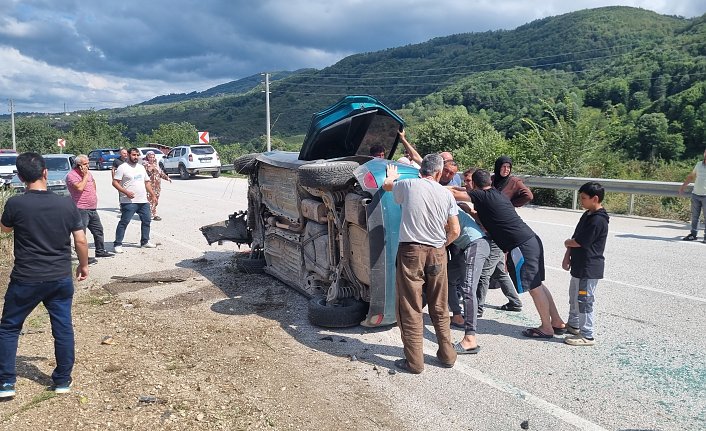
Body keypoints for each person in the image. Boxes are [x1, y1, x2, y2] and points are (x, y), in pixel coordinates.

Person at [0, 152, 89, 399]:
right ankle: (62, 380)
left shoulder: (15, 203)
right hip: (60, 277)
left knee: (9, 328)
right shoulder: (66, 203)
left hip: (26, 278)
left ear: (20, 177)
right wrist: (83, 266)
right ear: (45, 172)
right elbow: (80, 240)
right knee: (62, 328)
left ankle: (6, 383)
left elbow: (5, 228)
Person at [382, 154, 460, 374]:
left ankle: (414, 362)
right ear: (438, 172)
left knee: (410, 307)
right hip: (437, 253)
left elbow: (388, 186)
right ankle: (447, 356)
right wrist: (441, 246)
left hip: (411, 253)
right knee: (439, 306)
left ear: (421, 170)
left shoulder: (407, 185)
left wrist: (391, 176)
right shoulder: (446, 194)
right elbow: (455, 230)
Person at [468, 169, 565, 339]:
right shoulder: (496, 194)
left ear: (475, 185)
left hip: (521, 246)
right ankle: (556, 321)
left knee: (534, 288)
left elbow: (456, 193)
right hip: (531, 240)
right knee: (538, 284)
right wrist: (470, 212)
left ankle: (546, 328)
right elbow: (487, 219)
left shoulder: (481, 196)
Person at [562, 182, 609, 346]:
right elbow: (575, 237)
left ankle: (587, 335)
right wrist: (567, 254)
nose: (581, 201)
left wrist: (567, 243)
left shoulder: (598, 220)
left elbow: (580, 241)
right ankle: (574, 325)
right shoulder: (587, 214)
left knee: (584, 300)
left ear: (595, 198)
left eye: (583, 198)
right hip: (579, 265)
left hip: (589, 268)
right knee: (574, 297)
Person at [447, 202, 489, 354]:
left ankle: (470, 338)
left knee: (468, 289)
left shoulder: (446, 207)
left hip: (476, 245)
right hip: (466, 248)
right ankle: (457, 316)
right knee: (447, 278)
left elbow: (453, 232)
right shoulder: (445, 202)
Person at [66, 154, 113, 259]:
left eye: (87, 163)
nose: (87, 166)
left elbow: (93, 184)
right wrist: (85, 176)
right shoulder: (72, 175)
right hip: (80, 208)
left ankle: (100, 251)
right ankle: (82, 257)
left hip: (92, 208)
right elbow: (79, 188)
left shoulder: (89, 174)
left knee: (98, 230)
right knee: (81, 234)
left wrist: (92, 194)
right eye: (85, 164)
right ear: (78, 165)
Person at [112, 148, 156, 253]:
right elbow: (115, 182)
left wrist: (153, 195)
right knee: (124, 222)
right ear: (128, 155)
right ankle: (117, 244)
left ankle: (145, 241)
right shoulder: (122, 168)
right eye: (133, 155)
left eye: (137, 155)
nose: (135, 157)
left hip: (143, 200)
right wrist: (125, 192)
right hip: (128, 201)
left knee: (146, 221)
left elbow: (147, 182)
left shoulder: (141, 167)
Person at [398, 130, 462, 185]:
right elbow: (415, 156)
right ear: (441, 167)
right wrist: (403, 139)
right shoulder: (432, 169)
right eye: (446, 170)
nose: (447, 175)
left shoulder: (455, 184)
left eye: (451, 173)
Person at [679, 148, 706, 242]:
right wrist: (683, 186)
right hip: (696, 194)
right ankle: (693, 234)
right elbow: (691, 176)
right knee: (695, 216)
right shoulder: (699, 164)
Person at [142, 151, 172, 221]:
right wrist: (149, 170)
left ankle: (152, 213)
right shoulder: (145, 165)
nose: (152, 159)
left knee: (155, 200)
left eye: (153, 157)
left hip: (157, 186)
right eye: (150, 157)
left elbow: (160, 173)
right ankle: (150, 215)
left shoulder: (156, 164)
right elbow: (144, 175)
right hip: (149, 186)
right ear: (147, 157)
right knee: (149, 201)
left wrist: (167, 178)